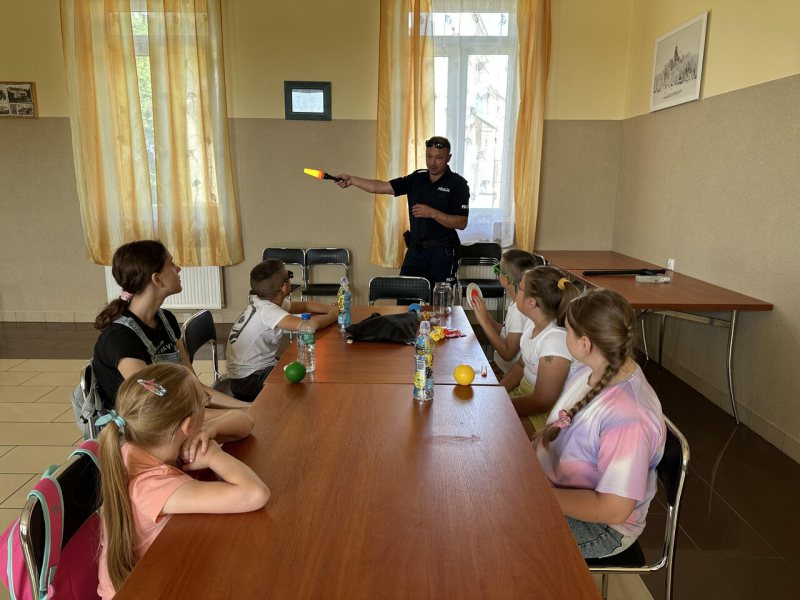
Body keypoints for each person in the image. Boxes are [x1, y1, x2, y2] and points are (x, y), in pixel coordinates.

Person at [96, 362, 269, 597]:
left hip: (162, 566)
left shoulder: (148, 440)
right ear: (188, 425)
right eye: (204, 402)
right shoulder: (151, 486)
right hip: (141, 589)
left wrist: (211, 429)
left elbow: (245, 422)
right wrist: (213, 455)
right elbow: (256, 494)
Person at [535, 289, 666, 559]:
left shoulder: (629, 418)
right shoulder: (590, 371)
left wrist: (536, 494)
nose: (563, 334)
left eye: (567, 330)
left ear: (585, 344)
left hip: (602, 527)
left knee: (500, 533)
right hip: (553, 489)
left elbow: (613, 509)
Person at [77, 240, 252, 438]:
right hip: (139, 432)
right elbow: (158, 406)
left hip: (175, 416)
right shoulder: (120, 339)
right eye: (171, 263)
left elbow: (193, 387)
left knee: (246, 425)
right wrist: (234, 415)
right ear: (157, 279)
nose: (179, 268)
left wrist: (248, 407)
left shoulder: (166, 319)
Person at [336, 136, 469, 286]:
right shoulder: (417, 178)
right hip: (415, 252)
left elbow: (462, 222)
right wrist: (352, 180)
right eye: (428, 156)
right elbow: (381, 186)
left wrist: (432, 213)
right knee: (405, 293)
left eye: (439, 158)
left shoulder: (458, 184)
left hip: (441, 253)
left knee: (440, 298)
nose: (432, 162)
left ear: (448, 158)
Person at [226, 259, 339, 401]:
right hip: (248, 381)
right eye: (289, 275)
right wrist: (333, 315)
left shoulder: (265, 301)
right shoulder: (268, 311)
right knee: (305, 380)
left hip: (250, 374)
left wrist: (332, 308)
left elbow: (305, 306)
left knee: (299, 366)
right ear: (284, 286)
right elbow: (309, 326)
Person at [501, 266, 581, 435]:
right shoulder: (532, 325)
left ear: (532, 302)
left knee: (492, 429)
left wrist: (502, 406)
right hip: (524, 398)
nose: (516, 292)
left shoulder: (554, 341)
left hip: (547, 415)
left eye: (520, 289)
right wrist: (497, 392)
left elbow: (542, 401)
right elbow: (521, 365)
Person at [471, 249, 539, 376]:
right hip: (501, 366)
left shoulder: (519, 311)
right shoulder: (517, 303)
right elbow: (505, 332)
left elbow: (507, 354)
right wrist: (487, 317)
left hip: (505, 372)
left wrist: (484, 323)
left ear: (506, 279)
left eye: (498, 269)